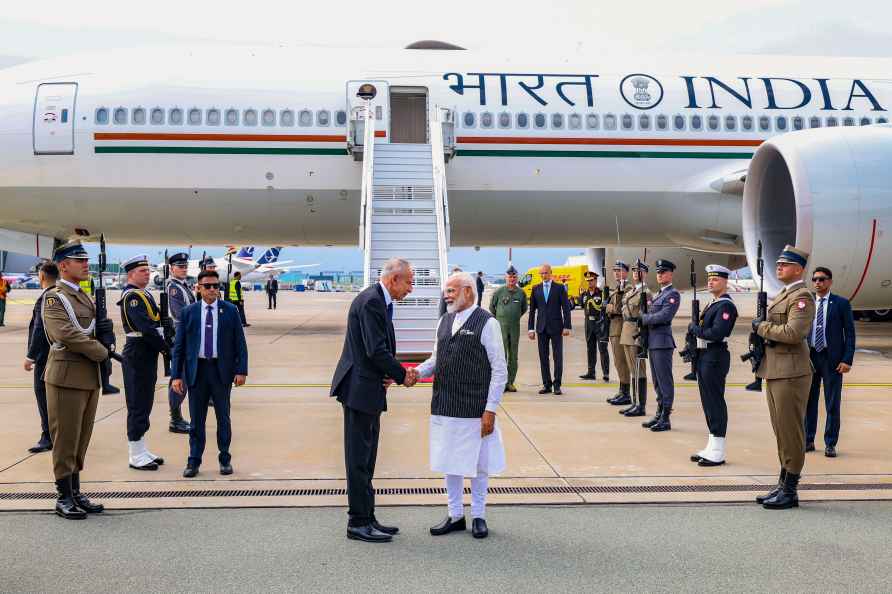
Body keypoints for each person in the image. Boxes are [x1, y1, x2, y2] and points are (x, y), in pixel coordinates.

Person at [416, 272, 508, 539]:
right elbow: (435, 358)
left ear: (468, 291)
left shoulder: (487, 323)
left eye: (452, 290)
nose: (447, 295)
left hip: (474, 407)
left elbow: (500, 369)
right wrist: (415, 373)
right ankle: (455, 514)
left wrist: (491, 408)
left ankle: (478, 515)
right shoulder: (444, 321)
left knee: (478, 465)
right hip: (445, 404)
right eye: (446, 291)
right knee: (450, 462)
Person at [330, 258, 416, 543]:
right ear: (394, 279)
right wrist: (402, 375)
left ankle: (368, 515)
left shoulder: (378, 299)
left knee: (367, 457)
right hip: (359, 391)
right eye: (409, 282)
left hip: (367, 389)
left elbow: (377, 350)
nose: (411, 289)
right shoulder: (372, 302)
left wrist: (391, 375)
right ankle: (358, 522)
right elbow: (376, 350)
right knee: (358, 458)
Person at [41, 240, 114, 519]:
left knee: (81, 439)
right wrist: (101, 351)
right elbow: (66, 334)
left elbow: (91, 330)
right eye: (79, 260)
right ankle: (63, 496)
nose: (86, 264)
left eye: (86, 260)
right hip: (66, 377)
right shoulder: (54, 297)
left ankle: (75, 491)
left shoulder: (84, 296)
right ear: (63, 266)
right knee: (65, 439)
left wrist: (106, 335)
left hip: (88, 378)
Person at [753, 245, 815, 510]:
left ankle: (790, 490)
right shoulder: (785, 294)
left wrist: (761, 327)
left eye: (785, 264)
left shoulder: (802, 297)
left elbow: (793, 333)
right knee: (781, 430)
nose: (779, 267)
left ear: (798, 269)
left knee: (791, 431)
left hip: (791, 372)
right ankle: (783, 482)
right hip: (776, 370)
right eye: (778, 264)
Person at [171, 269, 248, 478]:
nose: (213, 289)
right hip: (197, 371)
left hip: (221, 371)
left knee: (223, 418)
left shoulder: (230, 310)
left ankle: (225, 459)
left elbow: (240, 344)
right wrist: (176, 375)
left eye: (216, 285)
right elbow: (179, 347)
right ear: (198, 288)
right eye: (208, 286)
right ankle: (194, 461)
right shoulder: (189, 312)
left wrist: (241, 370)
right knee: (197, 421)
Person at [118, 255, 169, 471]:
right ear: (131, 274)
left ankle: (141, 448)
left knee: (145, 401)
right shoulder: (132, 297)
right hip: (138, 352)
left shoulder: (143, 293)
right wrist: (166, 347)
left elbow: (155, 322)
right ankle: (135, 454)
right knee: (138, 403)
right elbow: (146, 328)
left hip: (146, 352)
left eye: (148, 270)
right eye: (142, 271)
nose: (147, 273)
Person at [687, 265, 738, 466]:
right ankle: (711, 445)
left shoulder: (726, 306)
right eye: (709, 279)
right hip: (705, 355)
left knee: (715, 402)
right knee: (707, 402)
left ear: (725, 282)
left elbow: (717, 332)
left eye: (715, 279)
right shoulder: (713, 303)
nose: (710, 282)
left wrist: (695, 329)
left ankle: (718, 450)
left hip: (715, 356)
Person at [805, 267, 855, 458]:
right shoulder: (807, 302)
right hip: (810, 357)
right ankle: (808, 439)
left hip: (832, 359)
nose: (818, 283)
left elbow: (849, 333)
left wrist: (847, 359)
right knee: (809, 401)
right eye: (815, 279)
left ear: (830, 281)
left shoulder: (841, 303)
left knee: (832, 403)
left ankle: (830, 443)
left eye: (822, 279)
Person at [639, 260, 680, 432]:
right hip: (653, 342)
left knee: (665, 382)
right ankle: (659, 412)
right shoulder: (658, 294)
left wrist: (644, 318)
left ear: (670, 274)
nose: (660, 275)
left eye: (663, 272)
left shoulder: (673, 294)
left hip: (662, 343)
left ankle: (666, 417)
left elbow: (664, 316)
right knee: (656, 382)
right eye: (658, 272)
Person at [24, 261, 58, 454]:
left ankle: (48, 436)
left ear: (42, 276)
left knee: (43, 394)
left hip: (46, 357)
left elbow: (39, 330)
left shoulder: (45, 298)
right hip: (62, 355)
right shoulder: (62, 296)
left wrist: (30, 356)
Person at [527, 263, 571, 395]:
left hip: (557, 327)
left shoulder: (559, 288)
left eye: (545, 273)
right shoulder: (536, 289)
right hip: (541, 328)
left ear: (551, 273)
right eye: (541, 273)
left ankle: (557, 385)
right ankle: (547, 384)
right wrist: (530, 329)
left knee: (558, 357)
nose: (543, 275)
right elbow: (532, 311)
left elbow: (566, 308)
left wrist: (567, 326)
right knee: (543, 357)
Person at [166, 252, 194, 434]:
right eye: (180, 267)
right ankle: (175, 419)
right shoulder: (174, 288)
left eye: (185, 266)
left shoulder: (183, 286)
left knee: (184, 378)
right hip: (181, 339)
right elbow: (179, 315)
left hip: (186, 338)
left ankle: (178, 417)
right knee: (179, 378)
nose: (183, 269)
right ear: (171, 268)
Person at [620, 260, 651, 417]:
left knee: (639, 371)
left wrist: (642, 337)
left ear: (644, 274)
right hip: (626, 332)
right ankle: (634, 402)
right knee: (633, 370)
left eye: (638, 271)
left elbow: (646, 315)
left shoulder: (646, 293)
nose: (634, 274)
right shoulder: (632, 290)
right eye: (633, 271)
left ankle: (641, 405)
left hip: (636, 334)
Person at [489, 266, 527, 392]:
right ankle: (501, 382)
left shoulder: (521, 293)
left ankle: (510, 382)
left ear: (517, 278)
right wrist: (501, 318)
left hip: (514, 327)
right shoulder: (499, 292)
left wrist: (513, 317)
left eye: (514, 276)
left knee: (513, 356)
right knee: (501, 355)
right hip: (501, 328)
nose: (512, 279)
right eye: (510, 276)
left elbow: (523, 309)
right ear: (506, 278)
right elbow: (492, 308)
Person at [605, 261, 632, 405]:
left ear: (626, 272)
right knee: (617, 361)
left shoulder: (627, 288)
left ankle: (626, 393)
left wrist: (607, 307)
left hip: (620, 328)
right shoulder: (618, 288)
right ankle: (622, 390)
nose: (616, 272)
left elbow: (618, 308)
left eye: (619, 270)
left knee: (621, 361)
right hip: (614, 328)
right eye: (615, 270)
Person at [578, 270, 609, 382]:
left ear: (596, 280)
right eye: (588, 281)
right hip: (588, 324)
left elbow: (606, 308)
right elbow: (581, 305)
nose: (589, 283)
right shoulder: (584, 294)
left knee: (602, 349)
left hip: (599, 323)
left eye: (591, 280)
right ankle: (591, 372)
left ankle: (606, 373)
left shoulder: (601, 293)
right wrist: (580, 295)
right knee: (590, 349)